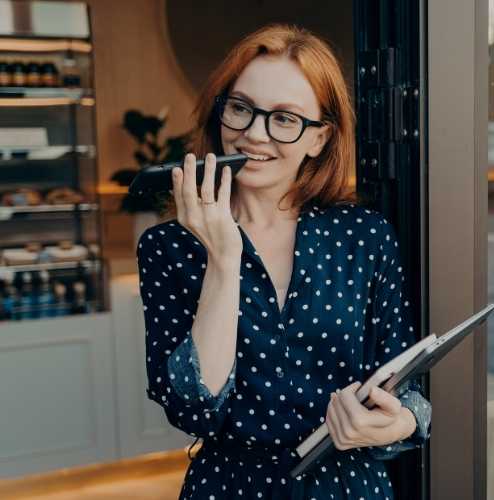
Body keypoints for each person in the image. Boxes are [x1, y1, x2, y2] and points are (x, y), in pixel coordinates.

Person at [136, 23, 431, 499]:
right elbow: (194, 409)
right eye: (241, 109)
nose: (254, 134)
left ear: (319, 138)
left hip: (349, 486)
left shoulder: (363, 235)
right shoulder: (167, 247)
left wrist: (398, 423)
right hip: (229, 487)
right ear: (220, 112)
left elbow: (405, 388)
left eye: (285, 118)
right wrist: (224, 257)